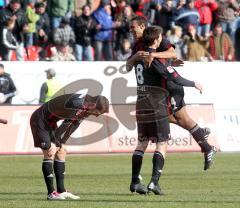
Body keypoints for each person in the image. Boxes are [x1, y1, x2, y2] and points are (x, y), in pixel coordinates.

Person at [127, 16, 216, 177]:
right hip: (159, 89)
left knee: (181, 119)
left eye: (133, 27)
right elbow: (130, 66)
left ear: (142, 26)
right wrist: (137, 58)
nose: (131, 31)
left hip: (170, 86)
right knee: (171, 118)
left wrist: (155, 56)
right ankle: (202, 135)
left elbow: (172, 53)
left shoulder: (155, 36)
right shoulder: (138, 45)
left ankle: (206, 145)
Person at [30, 93, 109, 200]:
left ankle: (61, 191)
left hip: (51, 121)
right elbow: (66, 124)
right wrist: (54, 141)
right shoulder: (77, 104)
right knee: (50, 151)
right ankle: (51, 194)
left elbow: (75, 124)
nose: (97, 115)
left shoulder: (86, 108)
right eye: (98, 112)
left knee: (62, 151)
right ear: (93, 105)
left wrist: (62, 142)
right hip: (40, 119)